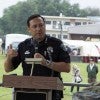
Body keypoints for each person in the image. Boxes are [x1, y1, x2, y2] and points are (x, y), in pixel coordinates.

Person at [4, 14, 71, 100]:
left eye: (41, 25)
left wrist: (46, 63)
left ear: (45, 26)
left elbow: (67, 67)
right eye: (34, 26)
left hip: (52, 93)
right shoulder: (23, 45)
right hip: (27, 93)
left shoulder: (57, 44)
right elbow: (8, 69)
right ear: (29, 29)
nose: (38, 29)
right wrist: (9, 57)